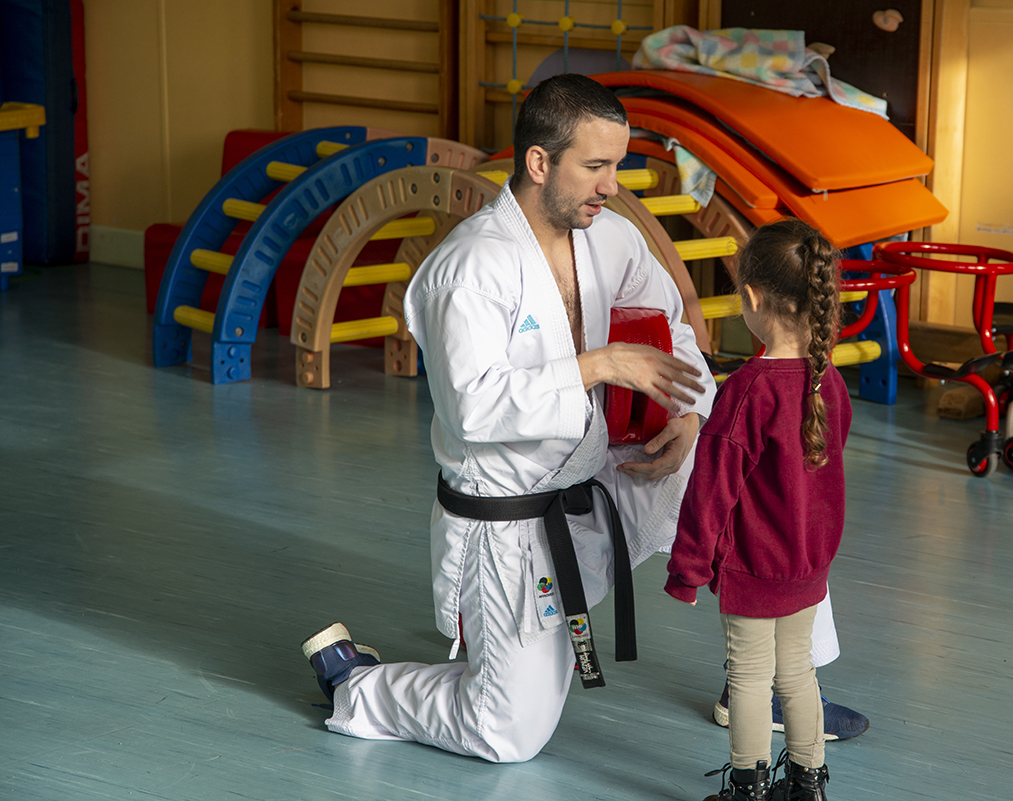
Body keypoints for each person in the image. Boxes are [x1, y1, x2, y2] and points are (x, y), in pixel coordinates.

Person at [299, 73, 716, 763]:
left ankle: (771, 678)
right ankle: (359, 683)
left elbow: (670, 328)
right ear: (539, 162)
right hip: (511, 521)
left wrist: (693, 413)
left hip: (599, 475)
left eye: (617, 166)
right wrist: (599, 364)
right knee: (510, 731)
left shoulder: (610, 239)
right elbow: (474, 407)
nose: (612, 185)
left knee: (747, 451)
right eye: (596, 166)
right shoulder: (469, 267)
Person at [665, 219, 851, 801]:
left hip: (753, 566)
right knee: (798, 673)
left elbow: (709, 492)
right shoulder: (831, 383)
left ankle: (746, 788)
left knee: (747, 678)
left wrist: (688, 569)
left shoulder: (747, 390)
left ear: (751, 299)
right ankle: (808, 784)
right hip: (808, 565)